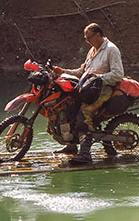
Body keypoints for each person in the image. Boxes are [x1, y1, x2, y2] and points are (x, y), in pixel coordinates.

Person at [52, 23, 124, 163]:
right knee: (69, 107)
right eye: (85, 38)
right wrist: (64, 71)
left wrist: (98, 78)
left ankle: (85, 154)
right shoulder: (92, 50)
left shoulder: (111, 50)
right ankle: (71, 145)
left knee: (83, 113)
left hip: (103, 89)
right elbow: (83, 72)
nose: (87, 41)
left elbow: (118, 74)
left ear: (98, 35)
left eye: (89, 37)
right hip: (88, 88)